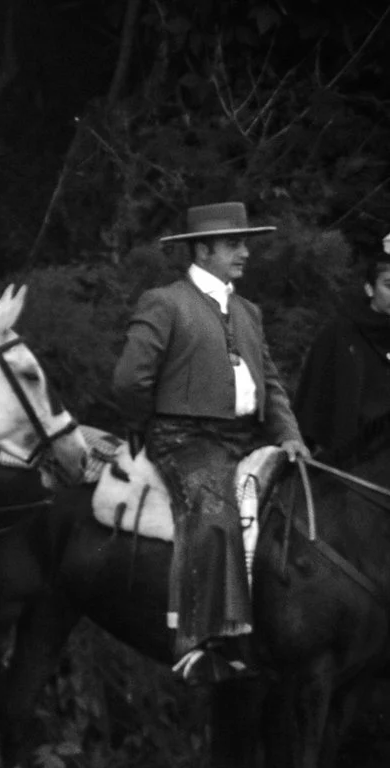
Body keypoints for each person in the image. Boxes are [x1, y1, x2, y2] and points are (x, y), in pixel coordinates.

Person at [110, 200, 309, 682]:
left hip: (243, 437)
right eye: (234, 244)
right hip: (185, 439)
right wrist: (146, 425)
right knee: (216, 510)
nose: (245, 253)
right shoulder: (166, 301)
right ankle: (201, 642)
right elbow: (128, 380)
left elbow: (273, 384)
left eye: (244, 243)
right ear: (203, 250)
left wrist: (291, 436)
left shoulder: (247, 311)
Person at [292, 231, 390, 468]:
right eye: (389, 285)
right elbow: (317, 401)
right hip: (348, 466)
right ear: (369, 289)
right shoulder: (341, 333)